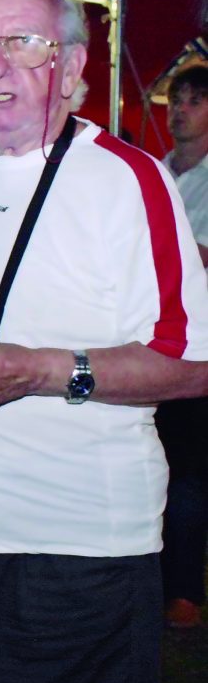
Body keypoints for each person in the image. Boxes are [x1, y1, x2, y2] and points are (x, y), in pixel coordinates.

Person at [0, 0, 208, 683]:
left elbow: (195, 363)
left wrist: (43, 370)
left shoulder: (128, 179)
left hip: (75, 534)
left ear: (72, 66)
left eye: (24, 43)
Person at [158, 64, 208, 629]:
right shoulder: (158, 170)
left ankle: (185, 591)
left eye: (194, 100)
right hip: (152, 339)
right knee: (157, 460)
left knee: (189, 471)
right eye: (177, 99)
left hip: (199, 347)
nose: (180, 110)